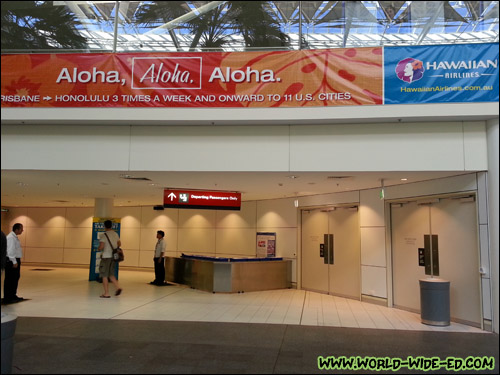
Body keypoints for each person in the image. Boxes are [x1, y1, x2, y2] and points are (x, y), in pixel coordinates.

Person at [97, 220, 122, 298]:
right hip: (113, 257)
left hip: (106, 257)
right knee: (111, 274)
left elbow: (101, 247)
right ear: (111, 226)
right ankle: (118, 287)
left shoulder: (104, 235)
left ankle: (106, 293)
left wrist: (98, 248)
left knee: (104, 275)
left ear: (104, 226)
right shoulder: (115, 234)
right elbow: (119, 244)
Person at [3, 223, 24, 304]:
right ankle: (8, 297)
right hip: (11, 260)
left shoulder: (14, 237)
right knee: (10, 279)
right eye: (21, 229)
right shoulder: (11, 238)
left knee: (15, 278)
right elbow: (10, 251)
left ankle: (12, 295)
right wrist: (14, 261)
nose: (22, 230)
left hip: (14, 259)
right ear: (17, 229)